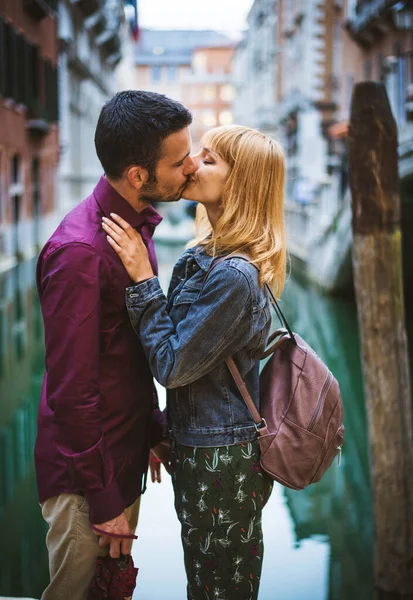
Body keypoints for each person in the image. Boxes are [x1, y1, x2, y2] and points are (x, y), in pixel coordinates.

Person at [102, 124, 286, 600]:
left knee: (220, 589)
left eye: (209, 159)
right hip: (198, 447)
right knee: (204, 582)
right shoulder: (202, 255)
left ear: (240, 182)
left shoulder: (234, 276)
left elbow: (172, 364)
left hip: (222, 460)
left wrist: (143, 279)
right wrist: (161, 428)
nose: (191, 165)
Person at [35, 90, 196, 600]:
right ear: (137, 175)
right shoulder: (79, 253)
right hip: (86, 483)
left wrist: (151, 429)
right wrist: (103, 500)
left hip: (122, 457)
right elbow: (72, 392)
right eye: (179, 160)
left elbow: (128, 355)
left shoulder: (132, 228)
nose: (191, 167)